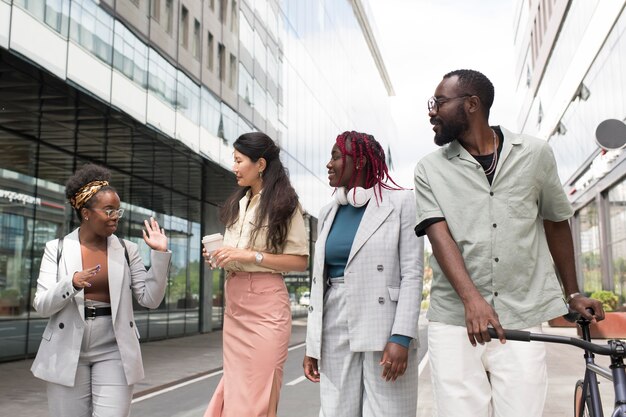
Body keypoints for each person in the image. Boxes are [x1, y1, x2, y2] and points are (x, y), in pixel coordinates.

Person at [413, 69, 605, 417]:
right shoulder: (429, 169)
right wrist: (472, 300)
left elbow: (556, 222)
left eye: (439, 102)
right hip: (455, 320)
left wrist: (573, 293)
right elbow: (438, 234)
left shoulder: (535, 154)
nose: (431, 111)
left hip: (522, 311)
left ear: (471, 104)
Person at [30, 163, 171, 417]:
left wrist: (160, 255)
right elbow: (42, 305)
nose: (116, 215)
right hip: (65, 349)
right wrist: (70, 283)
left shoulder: (128, 250)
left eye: (118, 210)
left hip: (114, 348)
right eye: (108, 210)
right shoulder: (57, 249)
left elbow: (149, 299)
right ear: (86, 213)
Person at [303, 131, 423, 417]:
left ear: (359, 162)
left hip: (383, 323)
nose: (328, 164)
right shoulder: (329, 212)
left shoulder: (402, 203)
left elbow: (412, 273)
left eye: (335, 156)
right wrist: (312, 344)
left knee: (388, 410)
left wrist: (402, 336)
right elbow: (320, 282)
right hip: (334, 318)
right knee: (335, 411)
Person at [203, 132, 309, 417]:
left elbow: (299, 262)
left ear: (260, 163)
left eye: (239, 160)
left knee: (258, 397)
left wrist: (250, 255)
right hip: (235, 307)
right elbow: (234, 255)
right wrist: (221, 256)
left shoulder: (285, 204)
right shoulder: (238, 203)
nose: (234, 167)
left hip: (267, 310)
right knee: (236, 392)